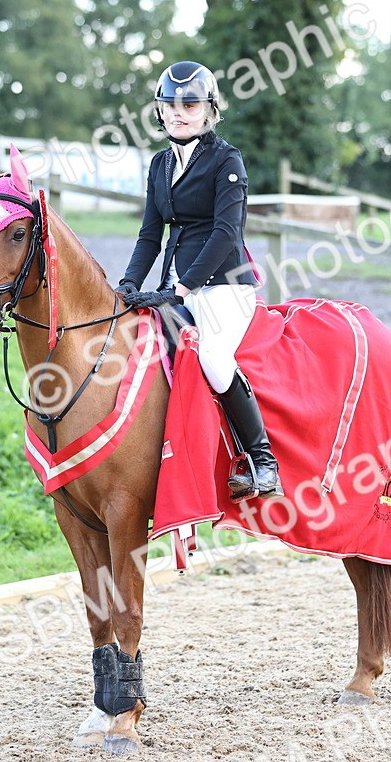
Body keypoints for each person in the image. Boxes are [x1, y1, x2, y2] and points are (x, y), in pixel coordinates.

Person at [116, 60, 283, 500]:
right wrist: (129, 283)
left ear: (208, 110)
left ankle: (262, 460)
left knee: (210, 354)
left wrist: (182, 288)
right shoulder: (159, 165)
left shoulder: (226, 160)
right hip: (176, 287)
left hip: (224, 285)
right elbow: (151, 233)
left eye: (188, 103)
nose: (177, 111)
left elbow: (225, 232)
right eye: (168, 104)